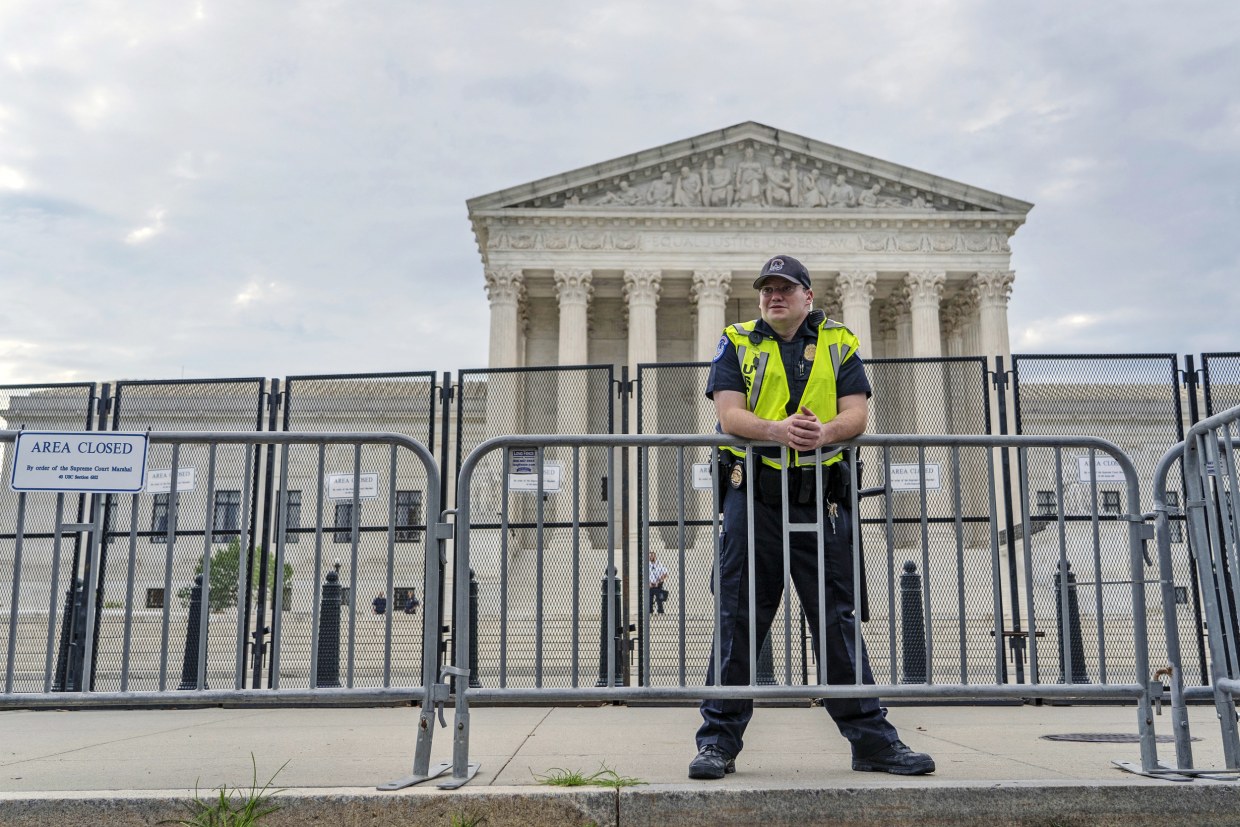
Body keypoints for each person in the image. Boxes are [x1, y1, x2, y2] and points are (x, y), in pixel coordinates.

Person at [689, 254, 934, 780]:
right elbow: (728, 412)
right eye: (766, 289)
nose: (774, 296)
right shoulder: (738, 341)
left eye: (785, 288)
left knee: (836, 619)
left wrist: (823, 433)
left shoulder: (839, 342)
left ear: (808, 296)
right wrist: (776, 430)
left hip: (820, 497)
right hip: (753, 497)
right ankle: (717, 745)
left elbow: (857, 412)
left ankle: (871, 741)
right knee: (738, 622)